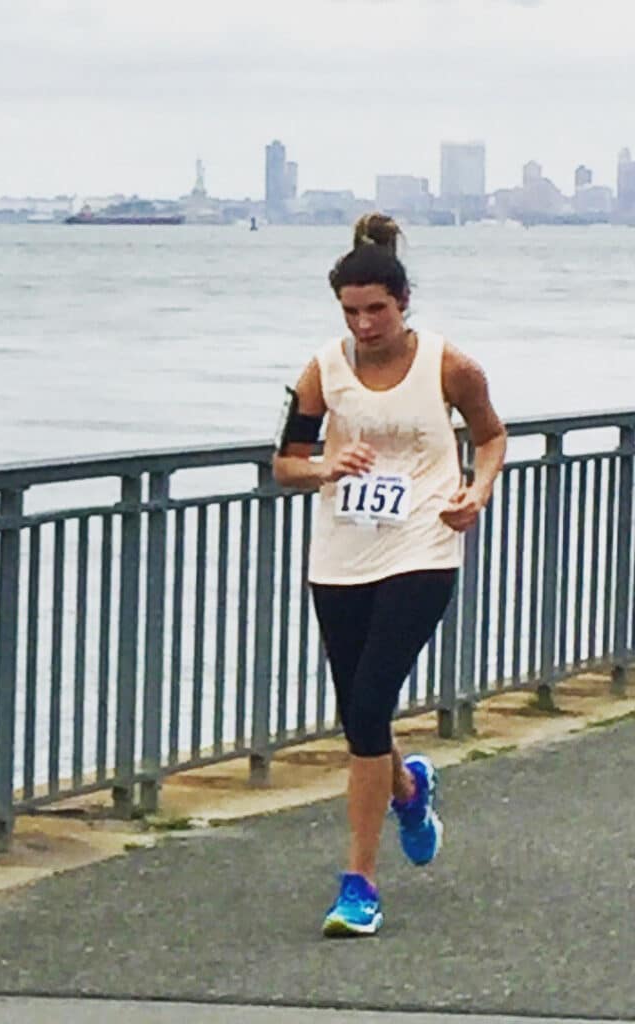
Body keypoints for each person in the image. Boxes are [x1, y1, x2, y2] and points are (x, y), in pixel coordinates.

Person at [272, 213, 506, 937]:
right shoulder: (323, 370)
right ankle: (407, 788)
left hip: (424, 546)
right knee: (361, 717)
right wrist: (323, 467)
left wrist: (477, 490)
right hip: (341, 553)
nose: (364, 324)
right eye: (351, 312)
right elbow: (284, 464)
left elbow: (492, 435)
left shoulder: (449, 365)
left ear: (404, 302)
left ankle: (359, 884)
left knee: (369, 705)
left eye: (377, 309)